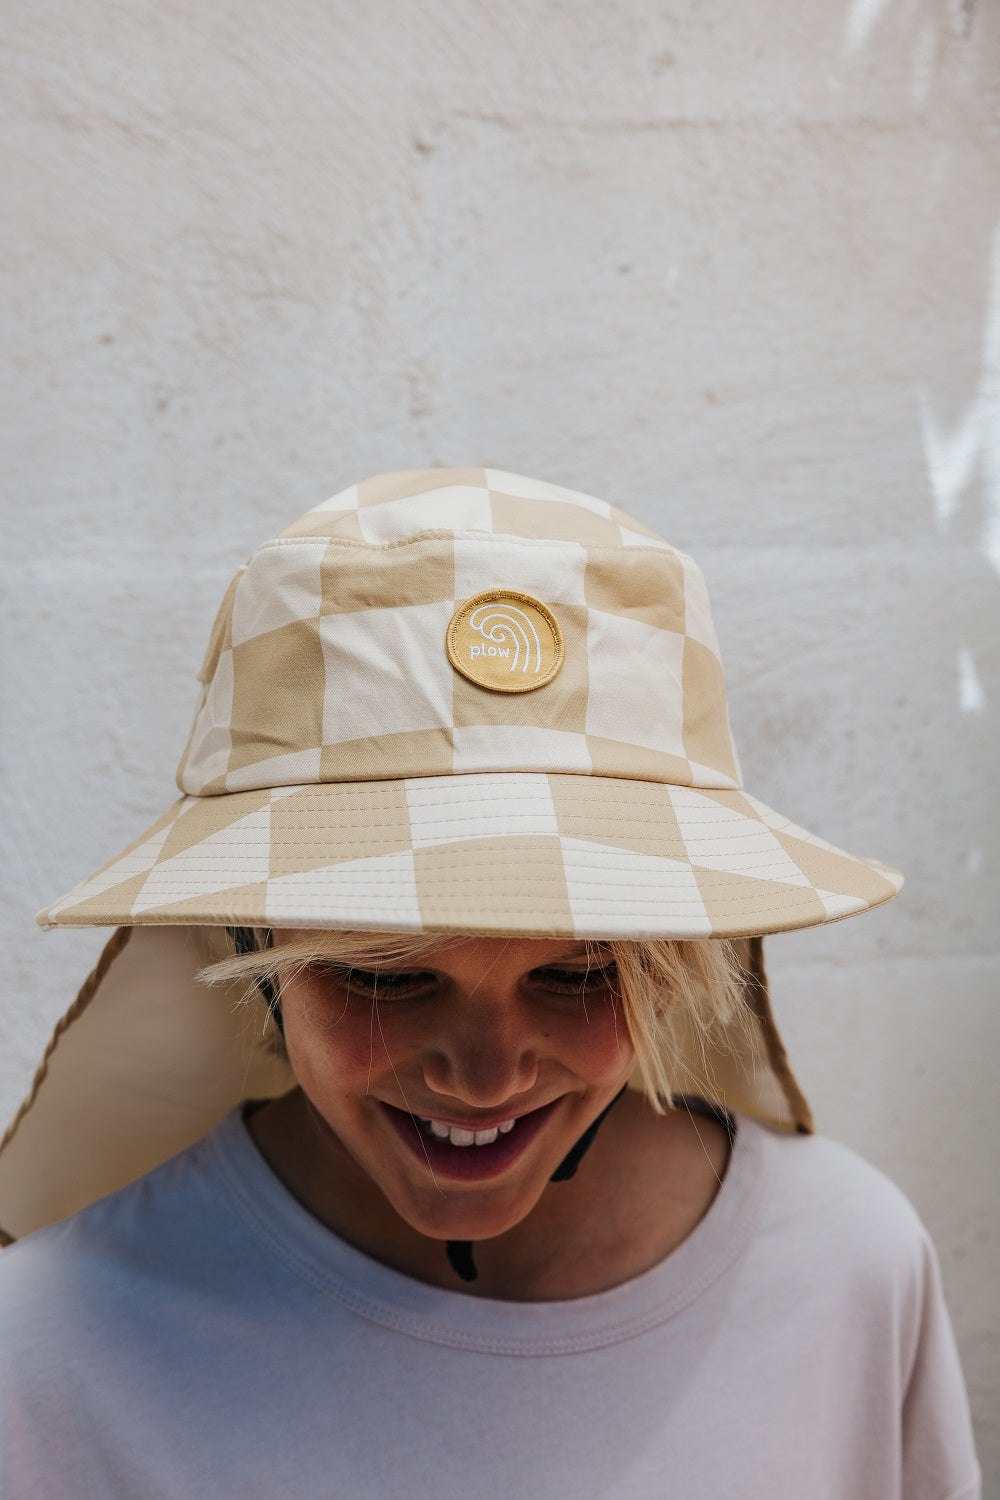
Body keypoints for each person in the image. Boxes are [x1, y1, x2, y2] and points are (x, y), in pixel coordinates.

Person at [0, 467, 981, 1499]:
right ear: (254, 944)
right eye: (385, 980)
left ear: (675, 959)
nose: (482, 1076)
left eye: (577, 974)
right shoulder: (55, 1348)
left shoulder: (845, 1271)